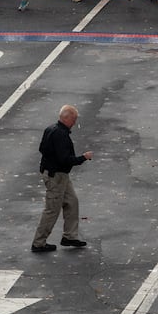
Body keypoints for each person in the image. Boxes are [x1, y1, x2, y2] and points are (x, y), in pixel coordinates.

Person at [32, 103, 92, 252]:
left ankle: (70, 236)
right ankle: (38, 243)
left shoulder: (50, 129)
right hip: (56, 176)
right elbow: (65, 159)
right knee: (52, 209)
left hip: (59, 175)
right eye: (74, 119)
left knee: (72, 202)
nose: (75, 123)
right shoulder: (61, 135)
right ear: (68, 119)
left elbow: (42, 148)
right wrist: (83, 157)